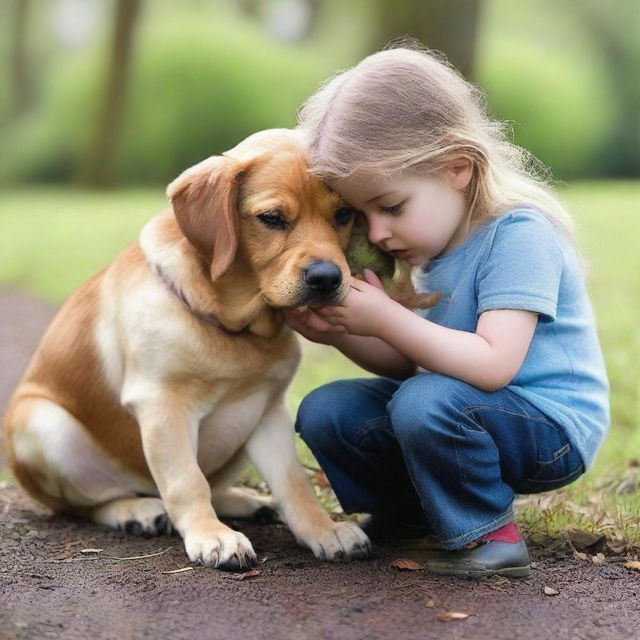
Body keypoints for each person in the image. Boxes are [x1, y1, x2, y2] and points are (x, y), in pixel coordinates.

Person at [285, 42, 610, 578]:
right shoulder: (428, 242)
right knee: (330, 410)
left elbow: (490, 364)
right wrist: (342, 331)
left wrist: (389, 318)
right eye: (361, 214)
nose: (378, 232)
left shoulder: (518, 235)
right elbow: (407, 362)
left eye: (390, 207)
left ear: (457, 169)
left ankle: (490, 535)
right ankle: (413, 516)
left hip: (550, 426)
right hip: (461, 405)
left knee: (425, 401)